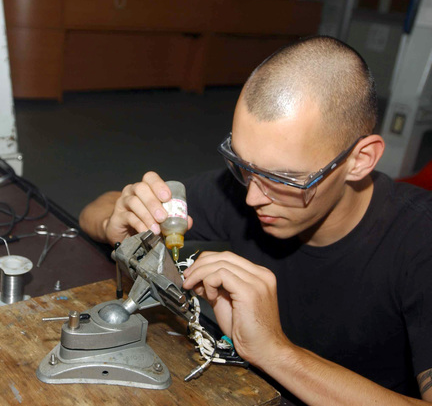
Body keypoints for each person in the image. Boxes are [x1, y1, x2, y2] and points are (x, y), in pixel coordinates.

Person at [79, 36, 432, 405]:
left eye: (284, 179)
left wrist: (274, 352)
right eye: (243, 166)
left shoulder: (420, 241)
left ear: (359, 160)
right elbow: (96, 208)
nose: (252, 198)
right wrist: (117, 220)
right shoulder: (246, 192)